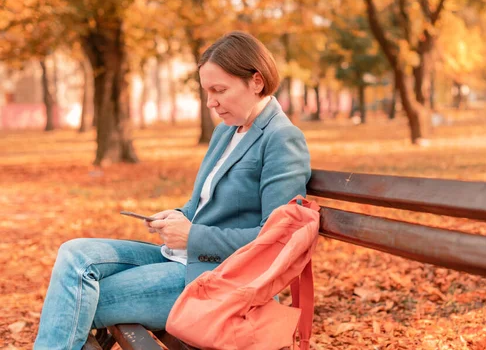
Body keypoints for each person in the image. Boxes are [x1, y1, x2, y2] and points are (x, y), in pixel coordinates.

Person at [34, 31, 312, 350]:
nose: (211, 103)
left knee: (74, 298)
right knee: (75, 253)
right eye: (207, 92)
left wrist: (192, 236)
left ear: (256, 81)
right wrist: (178, 216)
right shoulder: (226, 132)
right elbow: (203, 204)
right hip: (180, 260)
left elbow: (278, 240)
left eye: (219, 90)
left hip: (218, 279)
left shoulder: (281, 139)